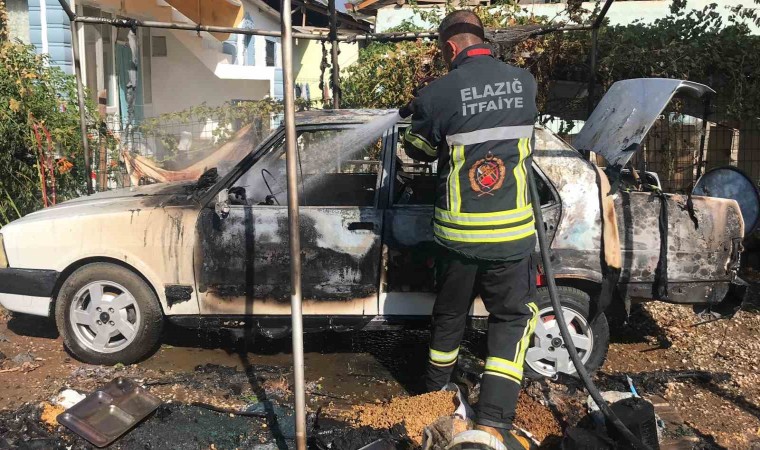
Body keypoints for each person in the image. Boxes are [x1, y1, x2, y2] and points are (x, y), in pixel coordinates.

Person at [401, 10, 538, 449]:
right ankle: (495, 418)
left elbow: (418, 150)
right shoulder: (524, 82)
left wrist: (420, 116)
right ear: (483, 38)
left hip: (458, 237)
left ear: (449, 47)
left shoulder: (438, 93)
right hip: (512, 235)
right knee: (511, 320)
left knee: (450, 316)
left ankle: (435, 398)